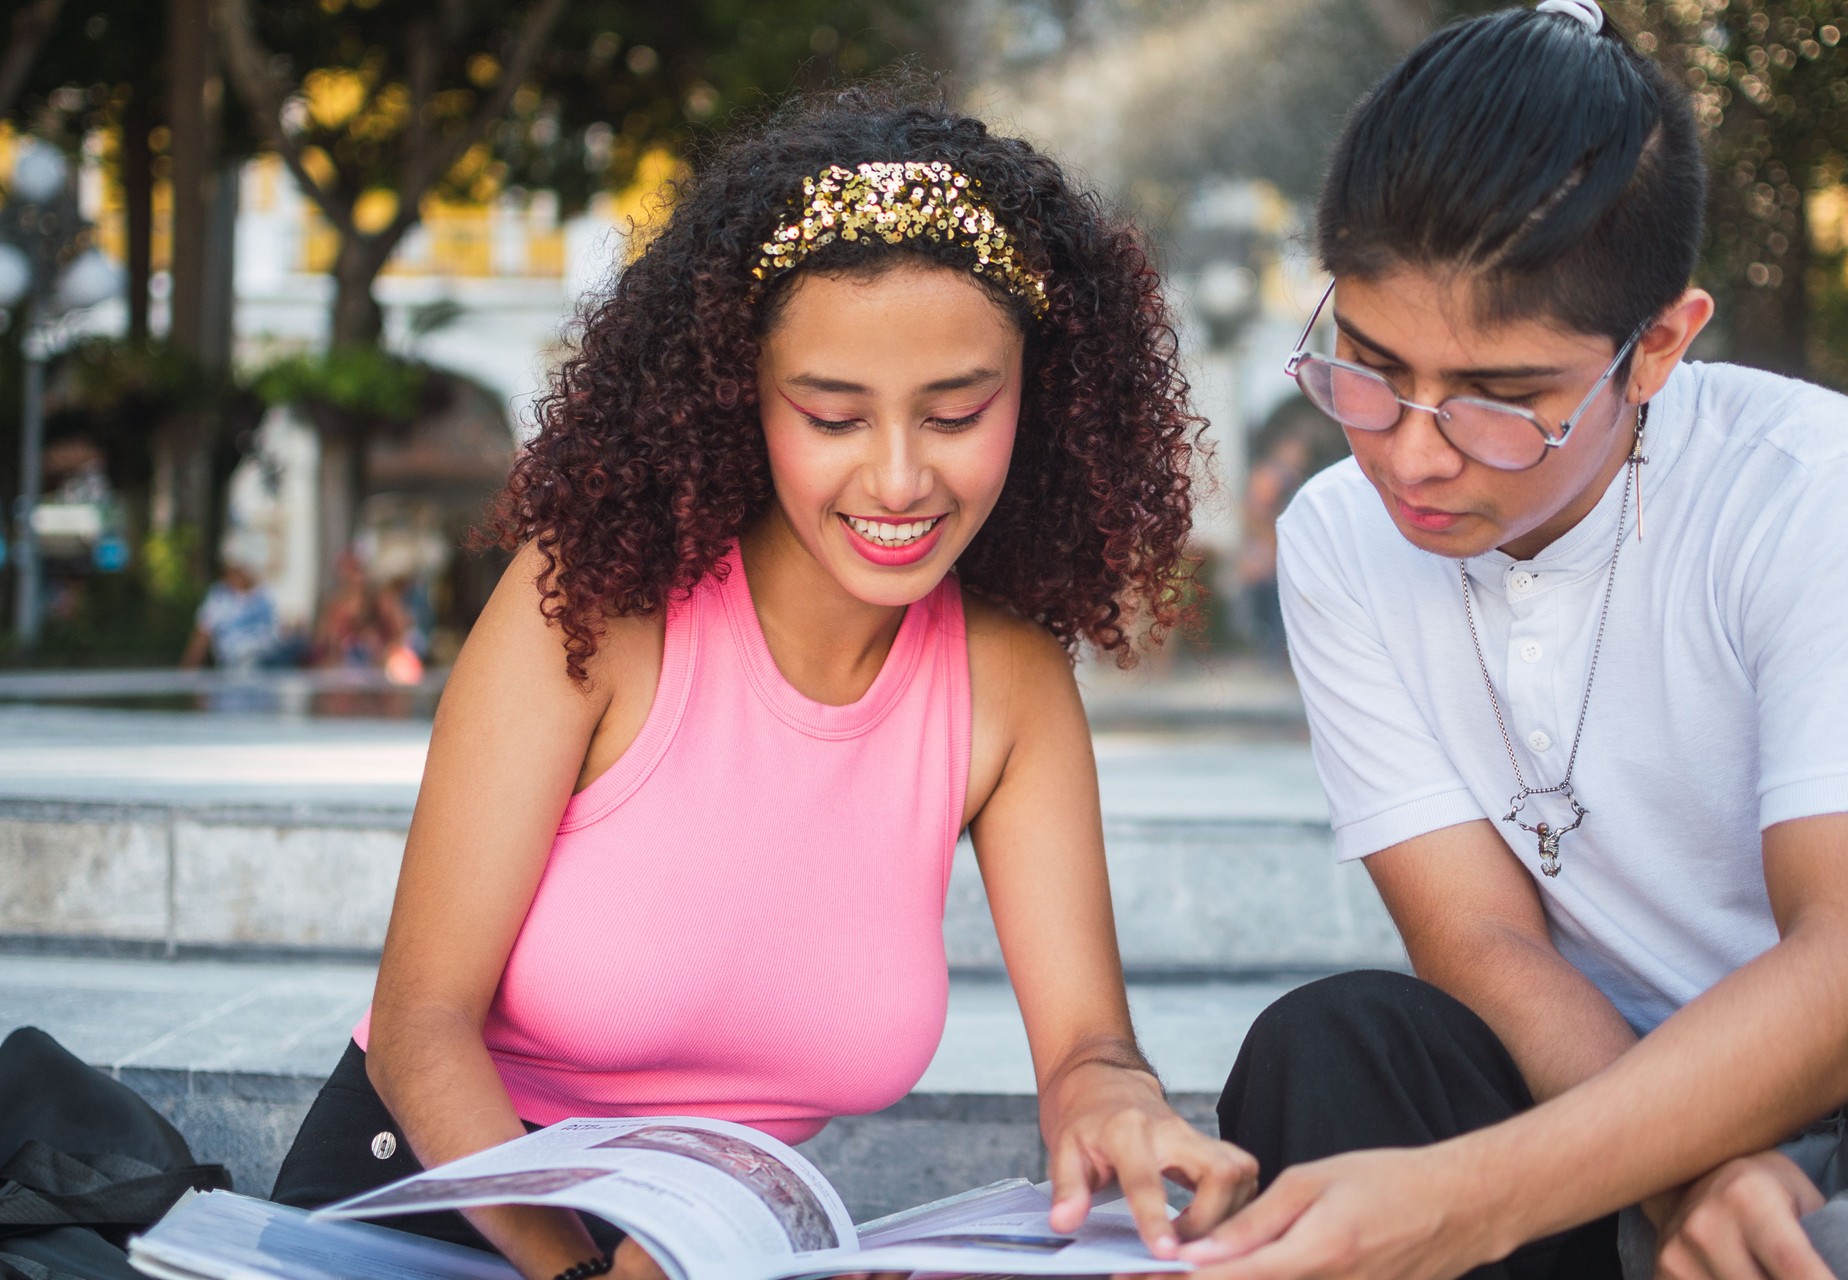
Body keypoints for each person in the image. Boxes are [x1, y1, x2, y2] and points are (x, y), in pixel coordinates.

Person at [270, 81, 1256, 1280]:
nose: (899, 479)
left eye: (957, 410)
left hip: (709, 1242)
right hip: (442, 1199)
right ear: (742, 395)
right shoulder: (591, 605)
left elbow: (1088, 1042)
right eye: (833, 414)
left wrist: (1114, 1097)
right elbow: (421, 1028)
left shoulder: (1011, 688)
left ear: (1038, 400)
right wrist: (584, 1269)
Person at [1183, 4, 1848, 1280]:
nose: (1412, 453)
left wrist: (1477, 1200)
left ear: (1661, 348)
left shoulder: (1818, 489)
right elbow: (1481, 940)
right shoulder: (1339, 539)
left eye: (1501, 399)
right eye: (1368, 365)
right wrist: (1683, 1164)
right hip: (1581, 1085)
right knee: (1334, 1046)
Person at [180, 530, 283, 671]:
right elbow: (202, 637)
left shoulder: (268, 595)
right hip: (229, 679)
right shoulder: (218, 596)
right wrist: (187, 673)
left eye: (236, 569)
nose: (230, 575)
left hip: (265, 680)